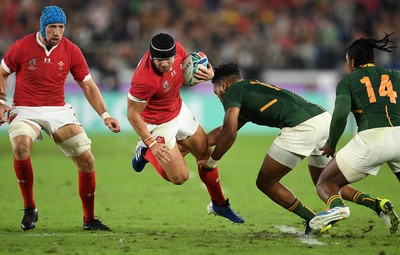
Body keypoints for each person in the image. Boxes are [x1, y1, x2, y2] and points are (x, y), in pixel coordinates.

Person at [200, 62, 396, 235]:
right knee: (326, 181)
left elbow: (229, 132)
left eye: (216, 91)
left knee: (266, 182)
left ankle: (312, 220)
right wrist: (192, 144)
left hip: (301, 127)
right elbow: (222, 132)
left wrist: (211, 163)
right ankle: (377, 205)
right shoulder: (250, 88)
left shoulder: (233, 92)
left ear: (223, 85)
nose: (218, 97)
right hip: (322, 119)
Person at [0, 6, 121, 231]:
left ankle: (89, 219)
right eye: (52, 27)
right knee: (20, 146)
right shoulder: (22, 47)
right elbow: (3, 71)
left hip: (58, 110)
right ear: (42, 27)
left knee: (87, 160)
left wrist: (105, 115)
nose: (57, 32)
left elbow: (87, 85)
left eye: (61, 27)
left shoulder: (71, 50)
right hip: (26, 108)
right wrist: (1, 101)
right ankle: (29, 208)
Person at [127, 32, 244, 224]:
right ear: (151, 56)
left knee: (205, 152)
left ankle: (220, 205)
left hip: (178, 109)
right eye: (159, 61)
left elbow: (189, 72)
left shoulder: (179, 50)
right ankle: (144, 151)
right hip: (156, 124)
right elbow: (132, 114)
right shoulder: (143, 79)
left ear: (174, 54)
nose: (165, 64)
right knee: (179, 177)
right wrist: (151, 142)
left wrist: (210, 74)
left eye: (168, 59)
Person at [309, 33, 399, 235]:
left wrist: (331, 144)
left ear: (351, 62)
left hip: (372, 138)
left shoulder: (348, 81)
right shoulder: (395, 76)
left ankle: (338, 208)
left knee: (326, 182)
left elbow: (340, 115)